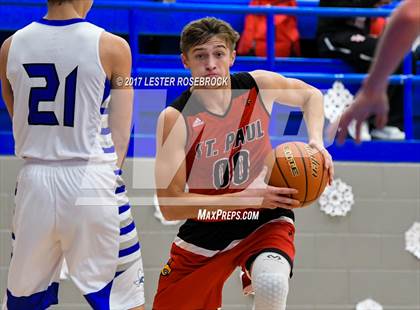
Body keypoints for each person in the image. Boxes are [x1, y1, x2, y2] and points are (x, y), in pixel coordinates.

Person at [153, 17, 334, 310]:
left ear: (232, 56)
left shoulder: (257, 86)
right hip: (207, 225)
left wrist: (316, 142)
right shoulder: (174, 119)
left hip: (265, 215)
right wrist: (242, 198)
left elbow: (311, 95)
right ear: (185, 61)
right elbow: (170, 205)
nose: (211, 63)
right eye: (200, 55)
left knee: (272, 284)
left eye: (219, 53)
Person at [0, 0, 144, 309]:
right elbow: (121, 132)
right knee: (122, 299)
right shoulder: (113, 46)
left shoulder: (10, 46)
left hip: (34, 179)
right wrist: (104, 174)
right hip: (90, 175)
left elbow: (16, 113)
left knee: (24, 301)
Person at [317, 0, 406, 140]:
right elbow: (339, 9)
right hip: (334, 38)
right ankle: (361, 117)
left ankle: (386, 124)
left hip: (361, 37)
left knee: (402, 54)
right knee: (389, 57)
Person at [335, 0, 420, 144]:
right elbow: (409, 15)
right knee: (407, 57)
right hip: (338, 36)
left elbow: (409, 15)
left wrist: (372, 88)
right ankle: (385, 124)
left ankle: (385, 123)